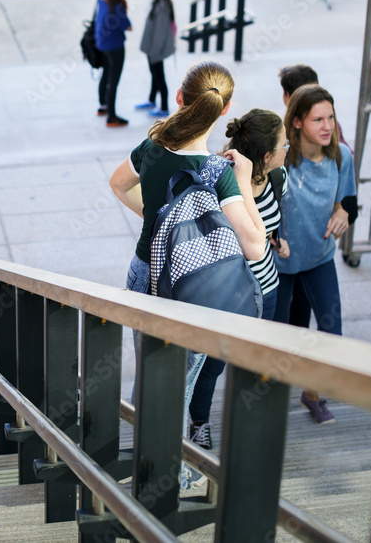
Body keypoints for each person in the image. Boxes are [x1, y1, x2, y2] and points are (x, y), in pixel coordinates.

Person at [110, 60, 266, 483]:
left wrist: (158, 219)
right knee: (177, 385)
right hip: (190, 288)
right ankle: (166, 477)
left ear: (180, 97)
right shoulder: (219, 172)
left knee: (151, 372)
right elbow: (255, 245)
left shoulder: (153, 144)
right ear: (224, 109)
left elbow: (117, 183)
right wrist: (247, 181)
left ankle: (145, 455)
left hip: (145, 274)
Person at [187, 108, 289, 449]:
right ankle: (199, 421)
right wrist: (243, 184)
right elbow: (248, 245)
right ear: (266, 154)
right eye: (283, 144)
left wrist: (279, 237)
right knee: (212, 365)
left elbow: (269, 227)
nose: (287, 148)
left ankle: (246, 422)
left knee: (256, 360)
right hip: (230, 293)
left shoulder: (277, 177)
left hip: (268, 288)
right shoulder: (219, 179)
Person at [274, 84, 356, 424]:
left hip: (319, 258)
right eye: (317, 119)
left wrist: (343, 214)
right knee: (275, 337)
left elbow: (347, 200)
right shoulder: (278, 157)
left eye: (331, 117)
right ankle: (270, 399)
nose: (327, 126)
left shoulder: (342, 156)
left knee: (331, 331)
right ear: (296, 122)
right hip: (277, 264)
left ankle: (312, 393)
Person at [95, 0, 132, 127]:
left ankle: (103, 106)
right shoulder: (117, 6)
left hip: (101, 44)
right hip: (115, 47)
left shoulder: (100, 0)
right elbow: (128, 27)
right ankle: (112, 117)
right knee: (113, 81)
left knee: (106, 73)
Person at [138, 0, 175, 118]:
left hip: (155, 49)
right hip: (152, 48)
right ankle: (152, 100)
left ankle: (164, 107)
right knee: (155, 75)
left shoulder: (162, 5)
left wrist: (154, 52)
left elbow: (160, 32)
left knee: (159, 76)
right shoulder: (156, 1)